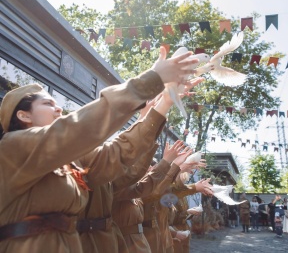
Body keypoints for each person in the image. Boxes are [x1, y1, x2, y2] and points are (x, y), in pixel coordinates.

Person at [0, 48, 200, 253]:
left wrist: (165, 101)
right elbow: (77, 128)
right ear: (24, 116)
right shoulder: (13, 147)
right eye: (48, 103)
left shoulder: (70, 160)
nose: (59, 108)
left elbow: (118, 154)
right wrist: (152, 79)